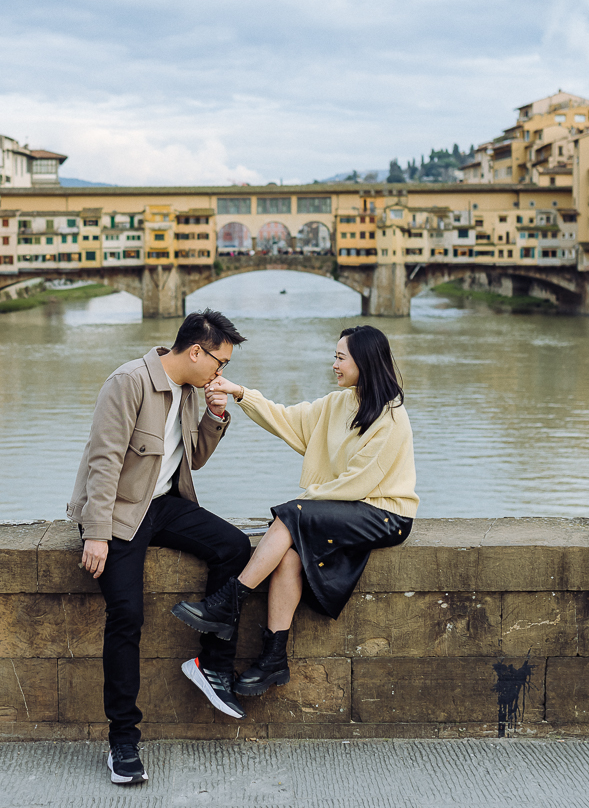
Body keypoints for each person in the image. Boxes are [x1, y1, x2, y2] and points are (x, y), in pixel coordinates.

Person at [171, 325, 417, 697]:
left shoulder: (391, 417)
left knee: (292, 514)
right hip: (349, 510)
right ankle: (273, 660)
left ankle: (229, 602)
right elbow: (286, 419)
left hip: (386, 516)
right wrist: (239, 393)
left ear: (363, 362)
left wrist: (300, 507)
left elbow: (356, 485)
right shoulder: (339, 403)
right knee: (287, 557)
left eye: (340, 357)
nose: (333, 364)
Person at [67, 309, 252, 786]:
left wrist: (215, 415)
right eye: (220, 362)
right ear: (196, 351)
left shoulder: (191, 392)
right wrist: (96, 533)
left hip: (165, 503)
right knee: (127, 615)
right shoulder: (128, 382)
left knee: (234, 547)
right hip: (121, 512)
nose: (221, 373)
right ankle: (123, 743)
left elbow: (194, 459)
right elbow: (104, 460)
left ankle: (210, 664)